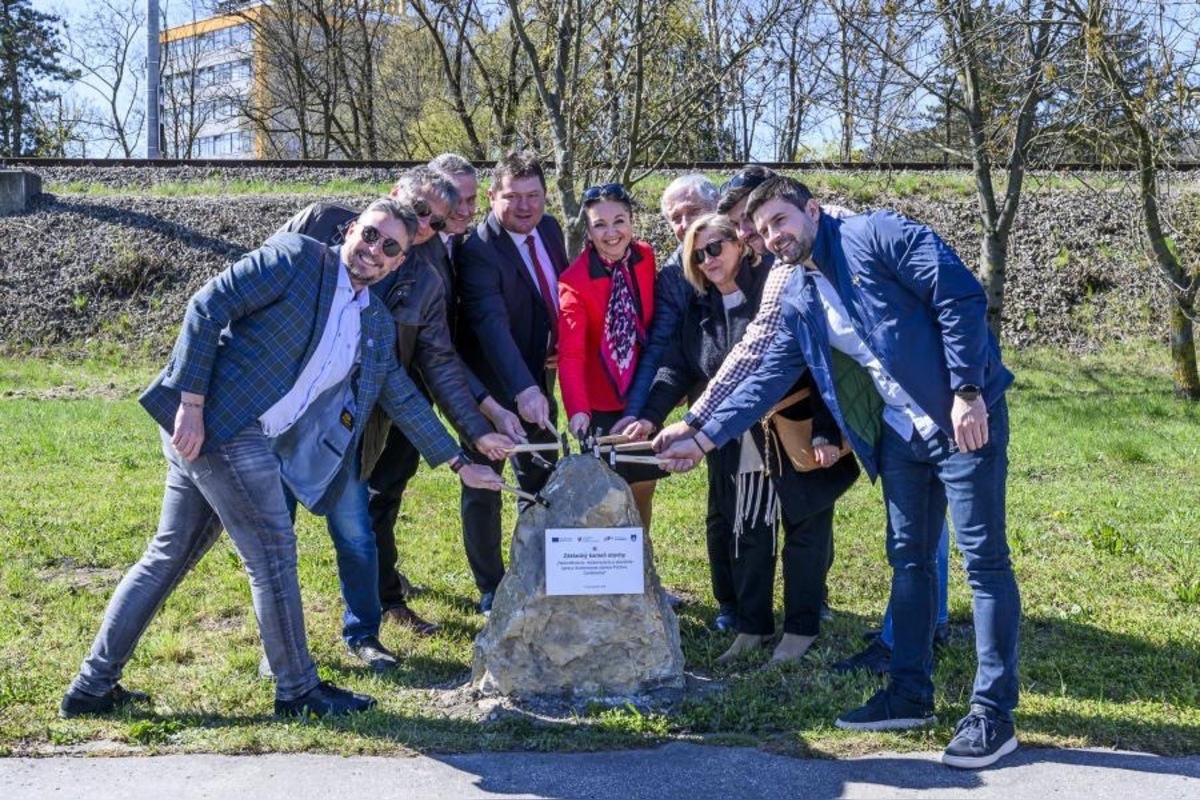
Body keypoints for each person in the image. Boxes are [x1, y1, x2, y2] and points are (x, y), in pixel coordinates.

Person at [61, 200, 501, 719]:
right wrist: (193, 406)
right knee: (272, 554)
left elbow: (399, 394)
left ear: (400, 262)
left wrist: (457, 461)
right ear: (350, 230)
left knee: (169, 556)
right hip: (218, 424)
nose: (373, 252)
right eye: (368, 236)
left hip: (236, 434)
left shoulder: (375, 321)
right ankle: (297, 691)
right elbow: (207, 306)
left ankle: (91, 687)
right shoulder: (296, 259)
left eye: (389, 248)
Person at [659, 176, 1020, 770]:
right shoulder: (798, 290)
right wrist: (700, 434)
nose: (773, 236)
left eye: (781, 220)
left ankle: (992, 713)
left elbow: (958, 295)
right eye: (763, 229)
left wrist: (968, 389)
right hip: (901, 435)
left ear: (812, 210)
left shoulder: (876, 234)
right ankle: (909, 692)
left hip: (962, 419)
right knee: (908, 559)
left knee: (983, 563)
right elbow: (764, 373)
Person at [275, 173, 514, 669]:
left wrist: (473, 433)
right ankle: (277, 645)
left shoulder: (422, 279)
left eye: (434, 221)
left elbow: (431, 367)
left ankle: (363, 633)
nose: (423, 224)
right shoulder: (322, 225)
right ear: (394, 193)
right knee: (274, 539)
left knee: (358, 533)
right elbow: (248, 293)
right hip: (282, 414)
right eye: (419, 209)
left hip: (355, 422)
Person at [638, 213, 858, 664]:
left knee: (806, 528)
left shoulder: (775, 294)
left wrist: (825, 428)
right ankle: (752, 627)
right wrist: (647, 417)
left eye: (715, 247)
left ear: (741, 244)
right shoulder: (699, 311)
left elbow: (817, 362)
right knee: (749, 532)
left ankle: (801, 628)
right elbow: (676, 368)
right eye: (697, 255)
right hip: (735, 441)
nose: (707, 259)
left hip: (797, 430)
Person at [456, 151, 569, 614]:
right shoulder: (478, 250)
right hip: (489, 387)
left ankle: (540, 568)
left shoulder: (551, 229)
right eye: (512, 197)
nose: (525, 207)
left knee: (542, 475)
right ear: (491, 197)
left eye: (534, 196)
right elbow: (489, 324)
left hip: (539, 377)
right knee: (485, 487)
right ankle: (491, 586)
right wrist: (521, 390)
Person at [558, 183, 664, 526]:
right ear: (588, 230)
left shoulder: (646, 258)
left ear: (632, 222)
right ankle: (606, 569)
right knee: (606, 496)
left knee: (644, 486)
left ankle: (641, 562)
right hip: (600, 404)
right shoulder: (573, 281)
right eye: (600, 224)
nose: (611, 232)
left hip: (641, 392)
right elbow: (571, 355)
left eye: (619, 221)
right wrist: (578, 410)